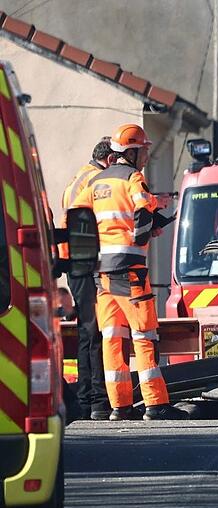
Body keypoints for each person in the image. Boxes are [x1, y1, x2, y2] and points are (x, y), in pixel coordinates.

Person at [71, 124, 185, 421]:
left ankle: (119, 407)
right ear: (131, 152)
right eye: (144, 151)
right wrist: (143, 235)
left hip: (101, 275)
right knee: (144, 335)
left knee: (112, 337)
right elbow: (141, 213)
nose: (146, 157)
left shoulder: (94, 183)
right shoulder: (134, 179)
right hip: (131, 271)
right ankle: (155, 404)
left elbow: (77, 218)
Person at [60, 137, 111, 420]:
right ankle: (94, 399)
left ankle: (87, 398)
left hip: (76, 263)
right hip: (87, 262)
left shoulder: (78, 177)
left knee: (86, 331)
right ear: (110, 159)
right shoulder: (96, 180)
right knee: (94, 332)